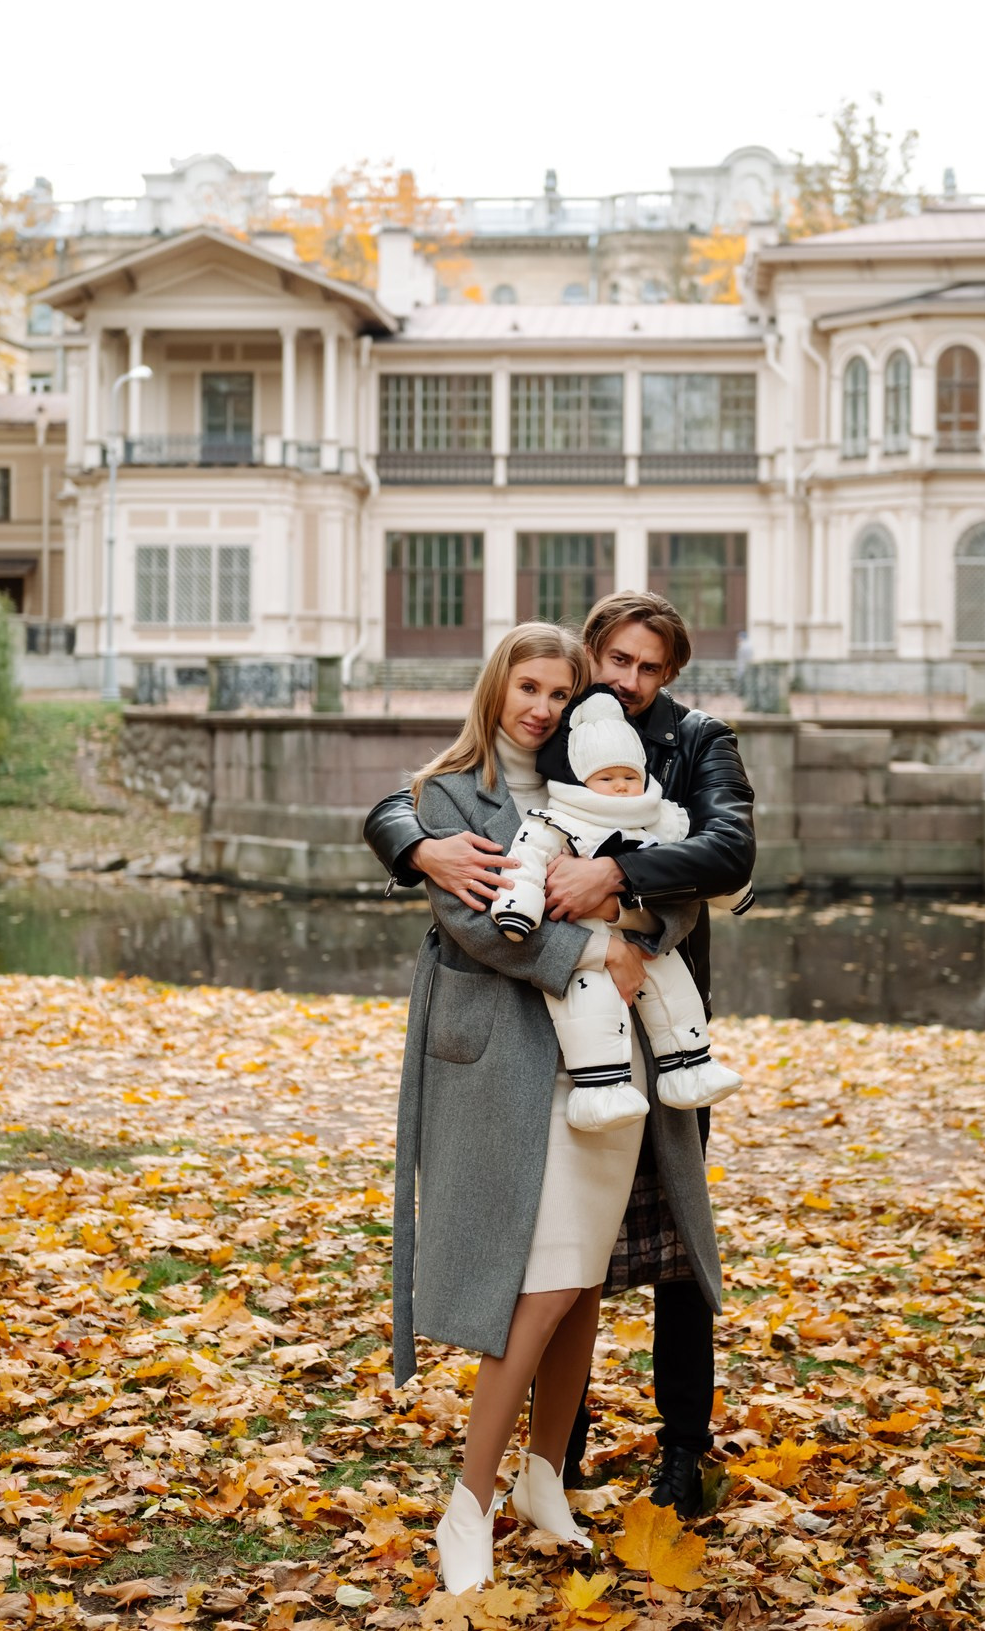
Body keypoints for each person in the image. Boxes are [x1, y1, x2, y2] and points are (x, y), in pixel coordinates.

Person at [367, 591, 756, 1518]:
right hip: (529, 1032)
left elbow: (725, 852)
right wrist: (413, 844)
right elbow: (427, 798)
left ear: (667, 675)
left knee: (646, 1257)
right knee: (553, 1262)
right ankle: (536, 1472)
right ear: (589, 660)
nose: (625, 682)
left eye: (647, 667)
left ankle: (670, 1452)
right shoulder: (520, 752)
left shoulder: (683, 746)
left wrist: (619, 889)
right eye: (612, 663)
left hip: (650, 1025)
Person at [491, 684, 743, 1132]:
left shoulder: (659, 812)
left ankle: (691, 1065)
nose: (621, 788)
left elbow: (702, 859)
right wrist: (518, 905)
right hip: (580, 945)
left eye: (629, 777)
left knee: (673, 989)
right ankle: (601, 1090)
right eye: (607, 779)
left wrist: (733, 892)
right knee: (590, 1008)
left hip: (645, 941)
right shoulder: (558, 818)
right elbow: (526, 864)